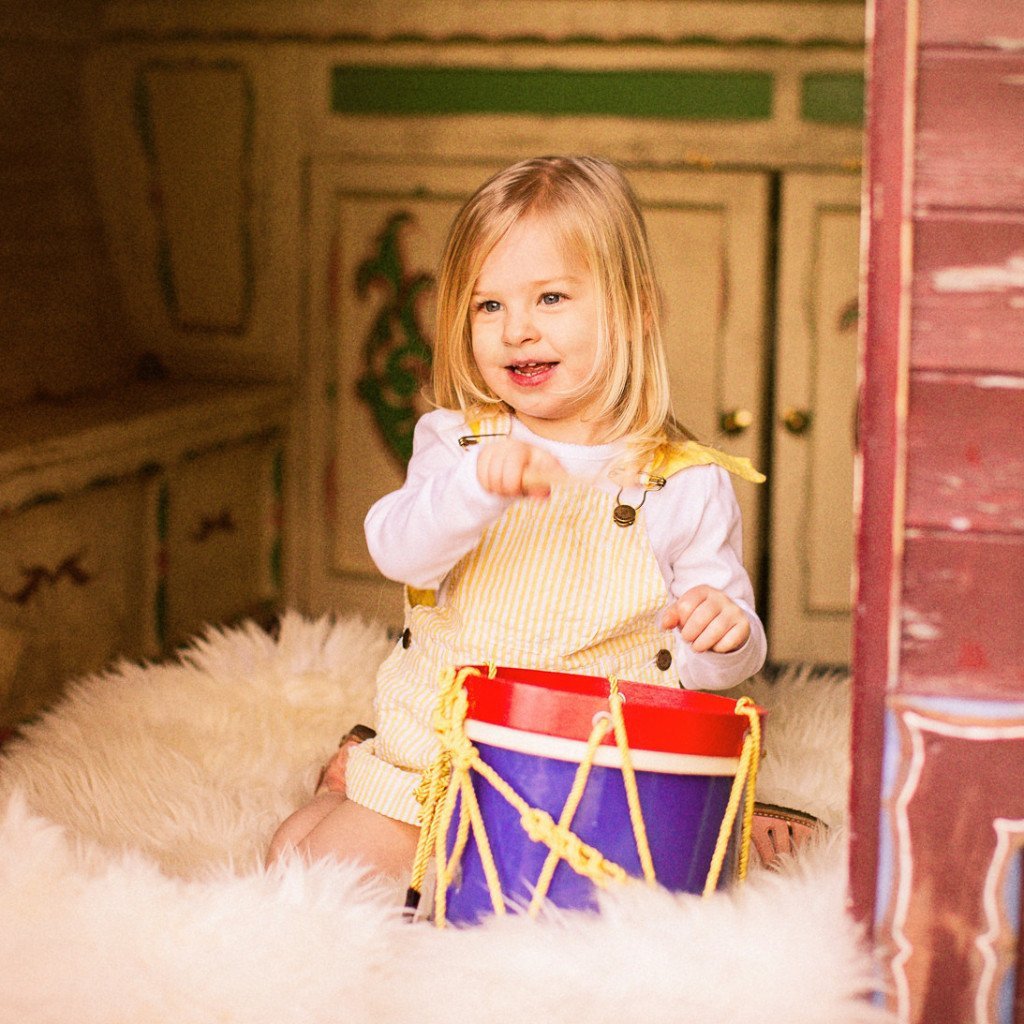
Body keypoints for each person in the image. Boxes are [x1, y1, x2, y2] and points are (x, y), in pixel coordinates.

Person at [266, 155, 767, 878]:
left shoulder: (684, 482)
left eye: (551, 298)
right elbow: (397, 550)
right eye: (488, 306)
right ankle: (346, 784)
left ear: (635, 310)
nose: (517, 331)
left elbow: (717, 666)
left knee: (639, 894)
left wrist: (724, 632)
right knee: (306, 865)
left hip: (600, 788)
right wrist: (472, 489)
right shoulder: (458, 443)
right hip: (440, 767)